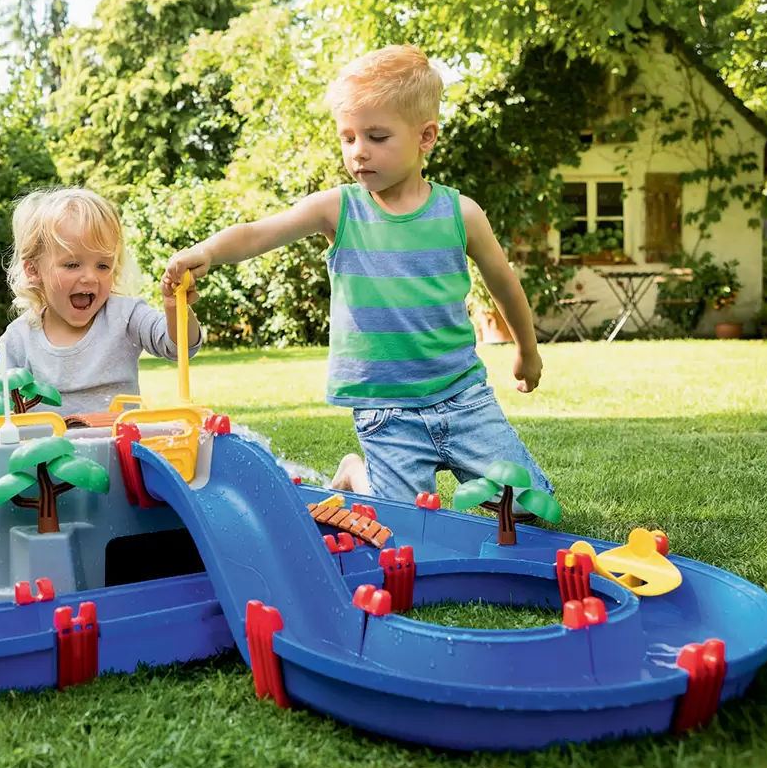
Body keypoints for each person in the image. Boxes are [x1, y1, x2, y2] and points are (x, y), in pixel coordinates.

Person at [162, 44, 551, 510]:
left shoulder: (461, 213)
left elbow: (503, 283)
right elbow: (259, 232)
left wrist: (527, 351)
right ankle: (356, 471)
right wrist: (206, 251)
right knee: (399, 522)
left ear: (426, 137)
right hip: (386, 411)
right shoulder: (339, 208)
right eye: (348, 138)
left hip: (462, 397)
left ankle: (466, 478)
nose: (358, 152)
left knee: (528, 505)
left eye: (376, 136)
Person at [0, 187, 202, 415]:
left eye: (103, 265)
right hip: (49, 440)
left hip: (117, 439)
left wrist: (174, 307)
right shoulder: (19, 339)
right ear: (33, 270)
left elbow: (180, 347)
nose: (90, 277)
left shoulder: (125, 316)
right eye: (72, 264)